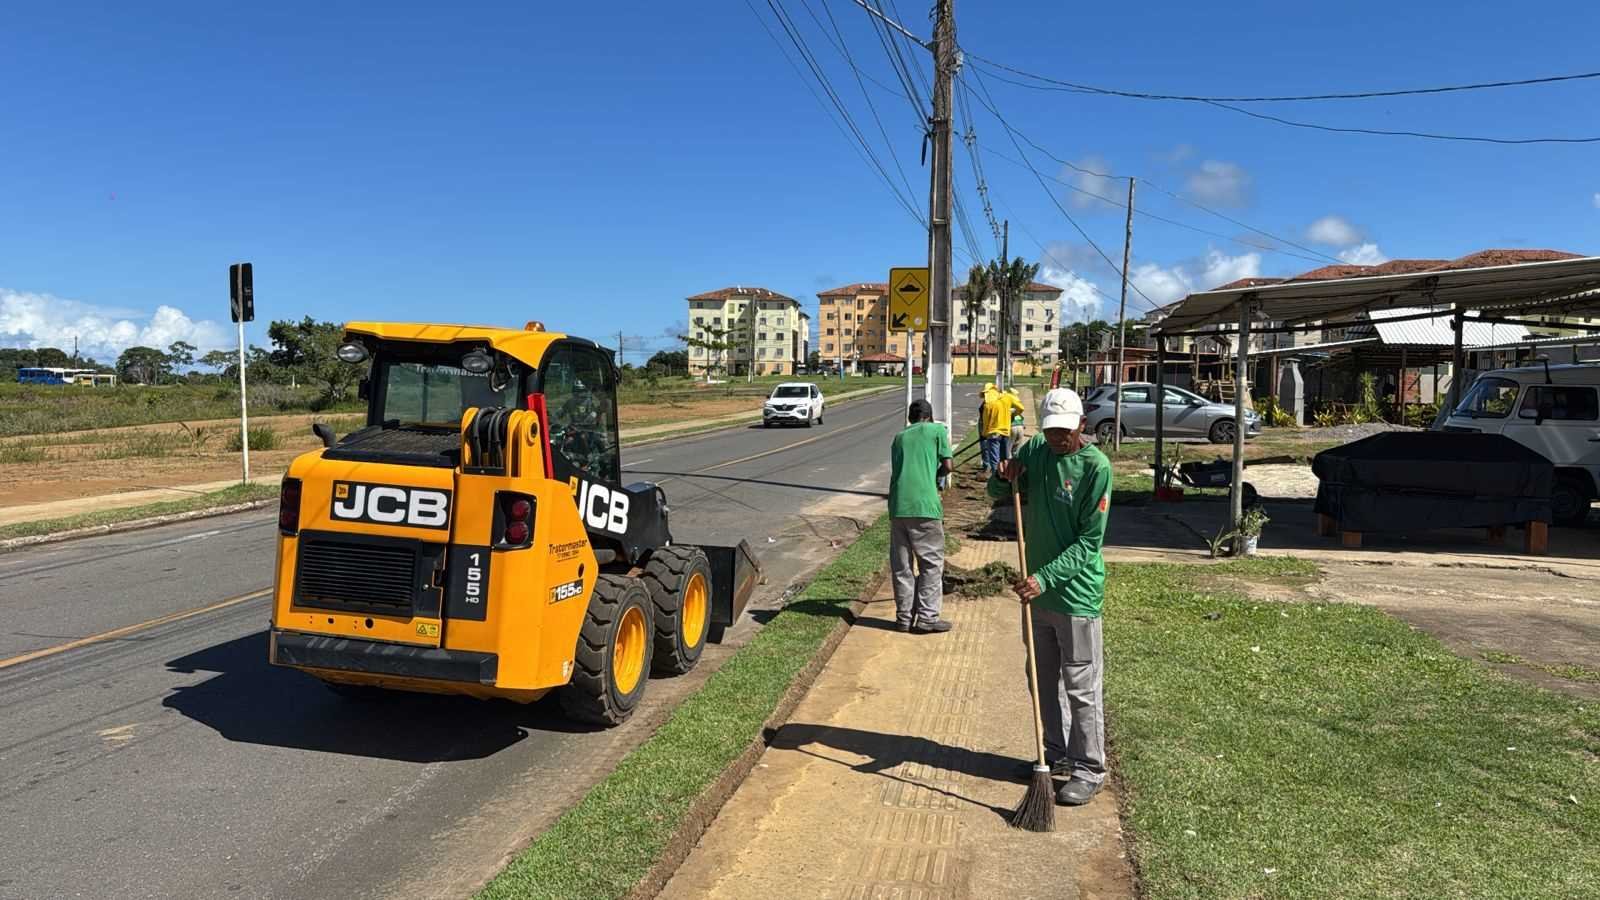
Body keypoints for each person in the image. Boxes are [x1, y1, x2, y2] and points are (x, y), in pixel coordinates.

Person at [989, 387, 1114, 807]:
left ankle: (1089, 769)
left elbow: (1088, 544)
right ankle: (1054, 756)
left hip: (1075, 596)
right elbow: (997, 493)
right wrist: (1003, 474)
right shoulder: (1039, 452)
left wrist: (1044, 578)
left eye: (1065, 430)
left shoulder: (1096, 467)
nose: (1058, 438)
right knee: (1042, 682)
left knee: (1081, 687)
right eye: (1051, 430)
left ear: (1082, 425)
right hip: (1038, 595)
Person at [888, 399, 954, 634]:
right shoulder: (938, 431)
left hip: (898, 507)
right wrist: (937, 474)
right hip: (925, 506)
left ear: (910, 418)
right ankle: (926, 618)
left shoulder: (899, 437)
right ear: (930, 416)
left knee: (902, 566)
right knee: (931, 564)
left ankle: (904, 618)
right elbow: (948, 465)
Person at [979, 383, 1024, 473]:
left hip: (993, 434)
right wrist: (1012, 414)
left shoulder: (988, 405)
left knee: (995, 460)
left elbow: (985, 422)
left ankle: (996, 480)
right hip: (1005, 432)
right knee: (1004, 459)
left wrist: (984, 434)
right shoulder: (1007, 398)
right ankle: (1006, 479)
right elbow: (1021, 408)